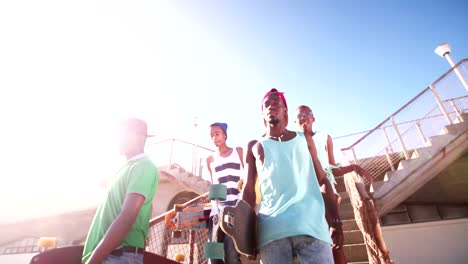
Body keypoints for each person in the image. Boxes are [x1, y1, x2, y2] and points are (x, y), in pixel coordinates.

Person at [242, 88, 342, 264]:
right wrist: (246, 235)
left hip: (311, 227)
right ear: (262, 113)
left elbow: (323, 180)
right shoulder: (254, 146)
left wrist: (335, 221)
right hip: (272, 231)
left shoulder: (304, 139)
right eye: (267, 104)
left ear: (285, 111)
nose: (271, 107)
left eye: (276, 104)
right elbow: (248, 191)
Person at [82, 118, 159, 264]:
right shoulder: (124, 169)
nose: (118, 140)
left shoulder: (143, 166)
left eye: (122, 135)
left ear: (139, 135)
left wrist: (93, 261)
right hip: (111, 256)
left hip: (118, 257)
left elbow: (127, 216)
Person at [206, 122, 243, 264]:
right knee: (213, 257)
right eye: (211, 135)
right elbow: (214, 186)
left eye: (217, 134)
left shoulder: (238, 152)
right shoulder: (210, 160)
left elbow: (247, 180)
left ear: (225, 135)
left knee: (232, 258)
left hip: (235, 212)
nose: (214, 138)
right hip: (216, 214)